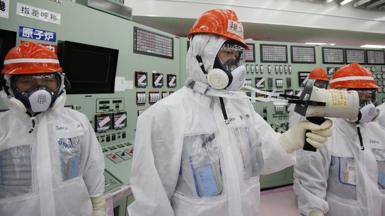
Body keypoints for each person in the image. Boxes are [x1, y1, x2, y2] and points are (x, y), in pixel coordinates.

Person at [128, 9, 332, 216]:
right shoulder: (165, 114)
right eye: (227, 52)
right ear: (202, 54)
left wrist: (290, 140)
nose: (233, 62)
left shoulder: (241, 105)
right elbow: (152, 200)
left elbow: (261, 157)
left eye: (236, 55)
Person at [0, 42, 106, 216]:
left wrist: (98, 207)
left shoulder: (77, 122)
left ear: (60, 82)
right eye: (27, 82)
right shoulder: (3, 129)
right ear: (9, 85)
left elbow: (92, 168)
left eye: (48, 80)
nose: (40, 90)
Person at [294, 63, 385, 216]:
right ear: (340, 96)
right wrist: (314, 210)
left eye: (370, 95)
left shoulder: (377, 132)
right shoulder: (320, 131)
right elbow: (309, 185)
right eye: (361, 95)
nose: (368, 102)